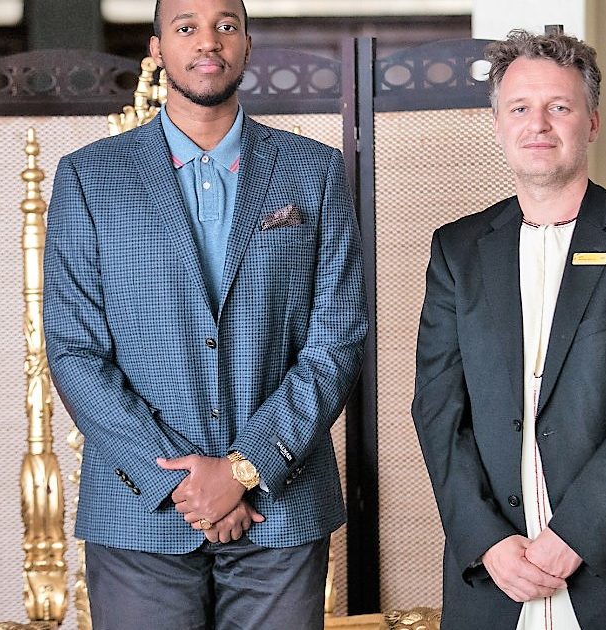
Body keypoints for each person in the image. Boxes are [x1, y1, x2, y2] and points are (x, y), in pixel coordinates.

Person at [42, 0, 367, 627]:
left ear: (247, 44)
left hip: (281, 504)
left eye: (225, 26)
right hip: (140, 511)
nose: (207, 41)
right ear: (157, 49)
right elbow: (75, 351)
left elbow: (337, 339)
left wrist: (245, 467)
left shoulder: (314, 171)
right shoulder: (89, 177)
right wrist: (183, 483)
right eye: (185, 27)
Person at [411, 29, 606, 629]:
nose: (538, 124)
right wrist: (486, 541)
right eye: (519, 108)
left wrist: (573, 536)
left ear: (592, 122)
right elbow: (438, 409)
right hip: (495, 581)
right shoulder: (457, 250)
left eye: (559, 106)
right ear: (496, 125)